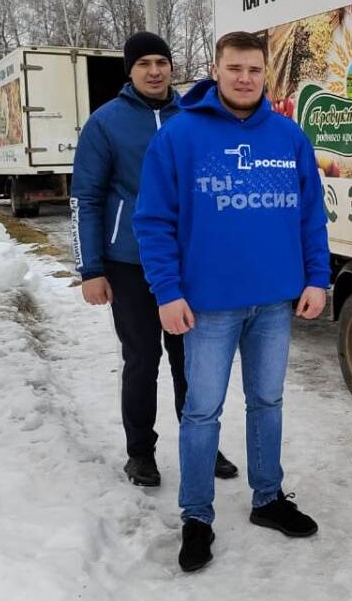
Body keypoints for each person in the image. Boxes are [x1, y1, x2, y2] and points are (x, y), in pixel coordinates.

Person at [133, 30, 330, 573]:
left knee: (267, 403)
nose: (245, 78)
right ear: (216, 70)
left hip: (273, 304)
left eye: (255, 70)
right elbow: (152, 222)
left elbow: (311, 216)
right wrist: (167, 293)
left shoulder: (289, 137)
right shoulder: (180, 136)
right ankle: (197, 516)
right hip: (209, 307)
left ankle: (268, 498)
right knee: (201, 412)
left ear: (266, 74)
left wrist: (317, 279)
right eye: (235, 68)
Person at [70, 31, 237, 488]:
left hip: (190, 264)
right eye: (143, 63)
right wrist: (92, 269)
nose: (155, 70)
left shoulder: (194, 117)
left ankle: (201, 442)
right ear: (130, 70)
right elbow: (85, 197)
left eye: (161, 61)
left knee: (194, 362)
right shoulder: (106, 123)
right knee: (143, 361)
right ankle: (140, 452)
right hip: (129, 264)